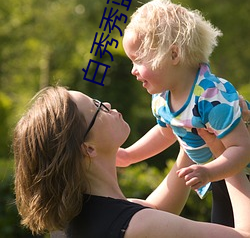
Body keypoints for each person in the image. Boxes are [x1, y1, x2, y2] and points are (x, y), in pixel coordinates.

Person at [13, 86, 250, 238]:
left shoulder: (73, 222)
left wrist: (190, 125)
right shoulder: (138, 226)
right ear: (88, 148)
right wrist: (226, 153)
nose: (106, 104)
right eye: (97, 108)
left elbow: (157, 209)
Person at [119, 0, 250, 226]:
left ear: (173, 55)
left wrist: (209, 172)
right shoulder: (162, 98)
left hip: (239, 173)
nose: (133, 70)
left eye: (138, 60)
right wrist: (130, 155)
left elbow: (242, 148)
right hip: (220, 176)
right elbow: (166, 133)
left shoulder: (211, 97)